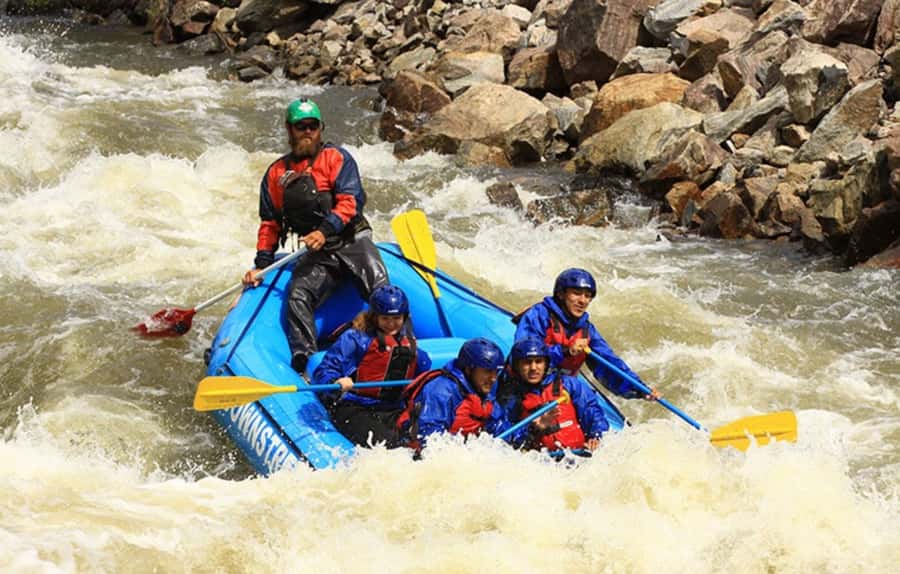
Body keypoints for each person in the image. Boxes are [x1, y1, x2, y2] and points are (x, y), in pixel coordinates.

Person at [242, 98, 387, 375]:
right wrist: (261, 265)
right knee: (297, 295)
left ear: (321, 129)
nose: (308, 132)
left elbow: (349, 202)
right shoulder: (275, 173)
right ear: (289, 129)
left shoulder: (337, 159)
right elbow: (270, 224)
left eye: (313, 126)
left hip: (351, 241)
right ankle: (305, 362)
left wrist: (325, 230)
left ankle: (395, 352)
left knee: (383, 295)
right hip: (318, 253)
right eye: (301, 126)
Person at [312, 285, 432, 448]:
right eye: (385, 319)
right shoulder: (355, 339)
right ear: (375, 317)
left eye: (396, 318)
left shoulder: (411, 347)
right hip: (353, 406)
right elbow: (324, 370)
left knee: (421, 439)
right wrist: (335, 382)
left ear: (404, 317)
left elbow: (423, 379)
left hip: (392, 408)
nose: (391, 324)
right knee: (389, 445)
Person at [513, 268, 659, 401]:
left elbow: (609, 364)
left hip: (561, 389)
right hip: (524, 386)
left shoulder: (586, 330)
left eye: (588, 296)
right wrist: (567, 351)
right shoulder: (538, 315)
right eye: (576, 293)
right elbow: (524, 354)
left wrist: (640, 389)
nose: (582, 301)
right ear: (561, 294)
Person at [396, 337, 510, 450]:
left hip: (466, 452)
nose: (493, 378)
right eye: (488, 371)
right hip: (418, 455)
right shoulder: (441, 390)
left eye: (496, 372)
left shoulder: (483, 391)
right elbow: (429, 436)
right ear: (469, 369)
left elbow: (499, 427)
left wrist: (522, 435)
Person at [500, 337, 609, 451]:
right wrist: (534, 428)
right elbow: (508, 438)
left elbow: (591, 411)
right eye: (527, 363)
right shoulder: (512, 398)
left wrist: (596, 435)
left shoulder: (569, 384)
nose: (533, 368)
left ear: (546, 364)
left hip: (580, 454)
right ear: (517, 367)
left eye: (538, 362)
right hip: (543, 461)